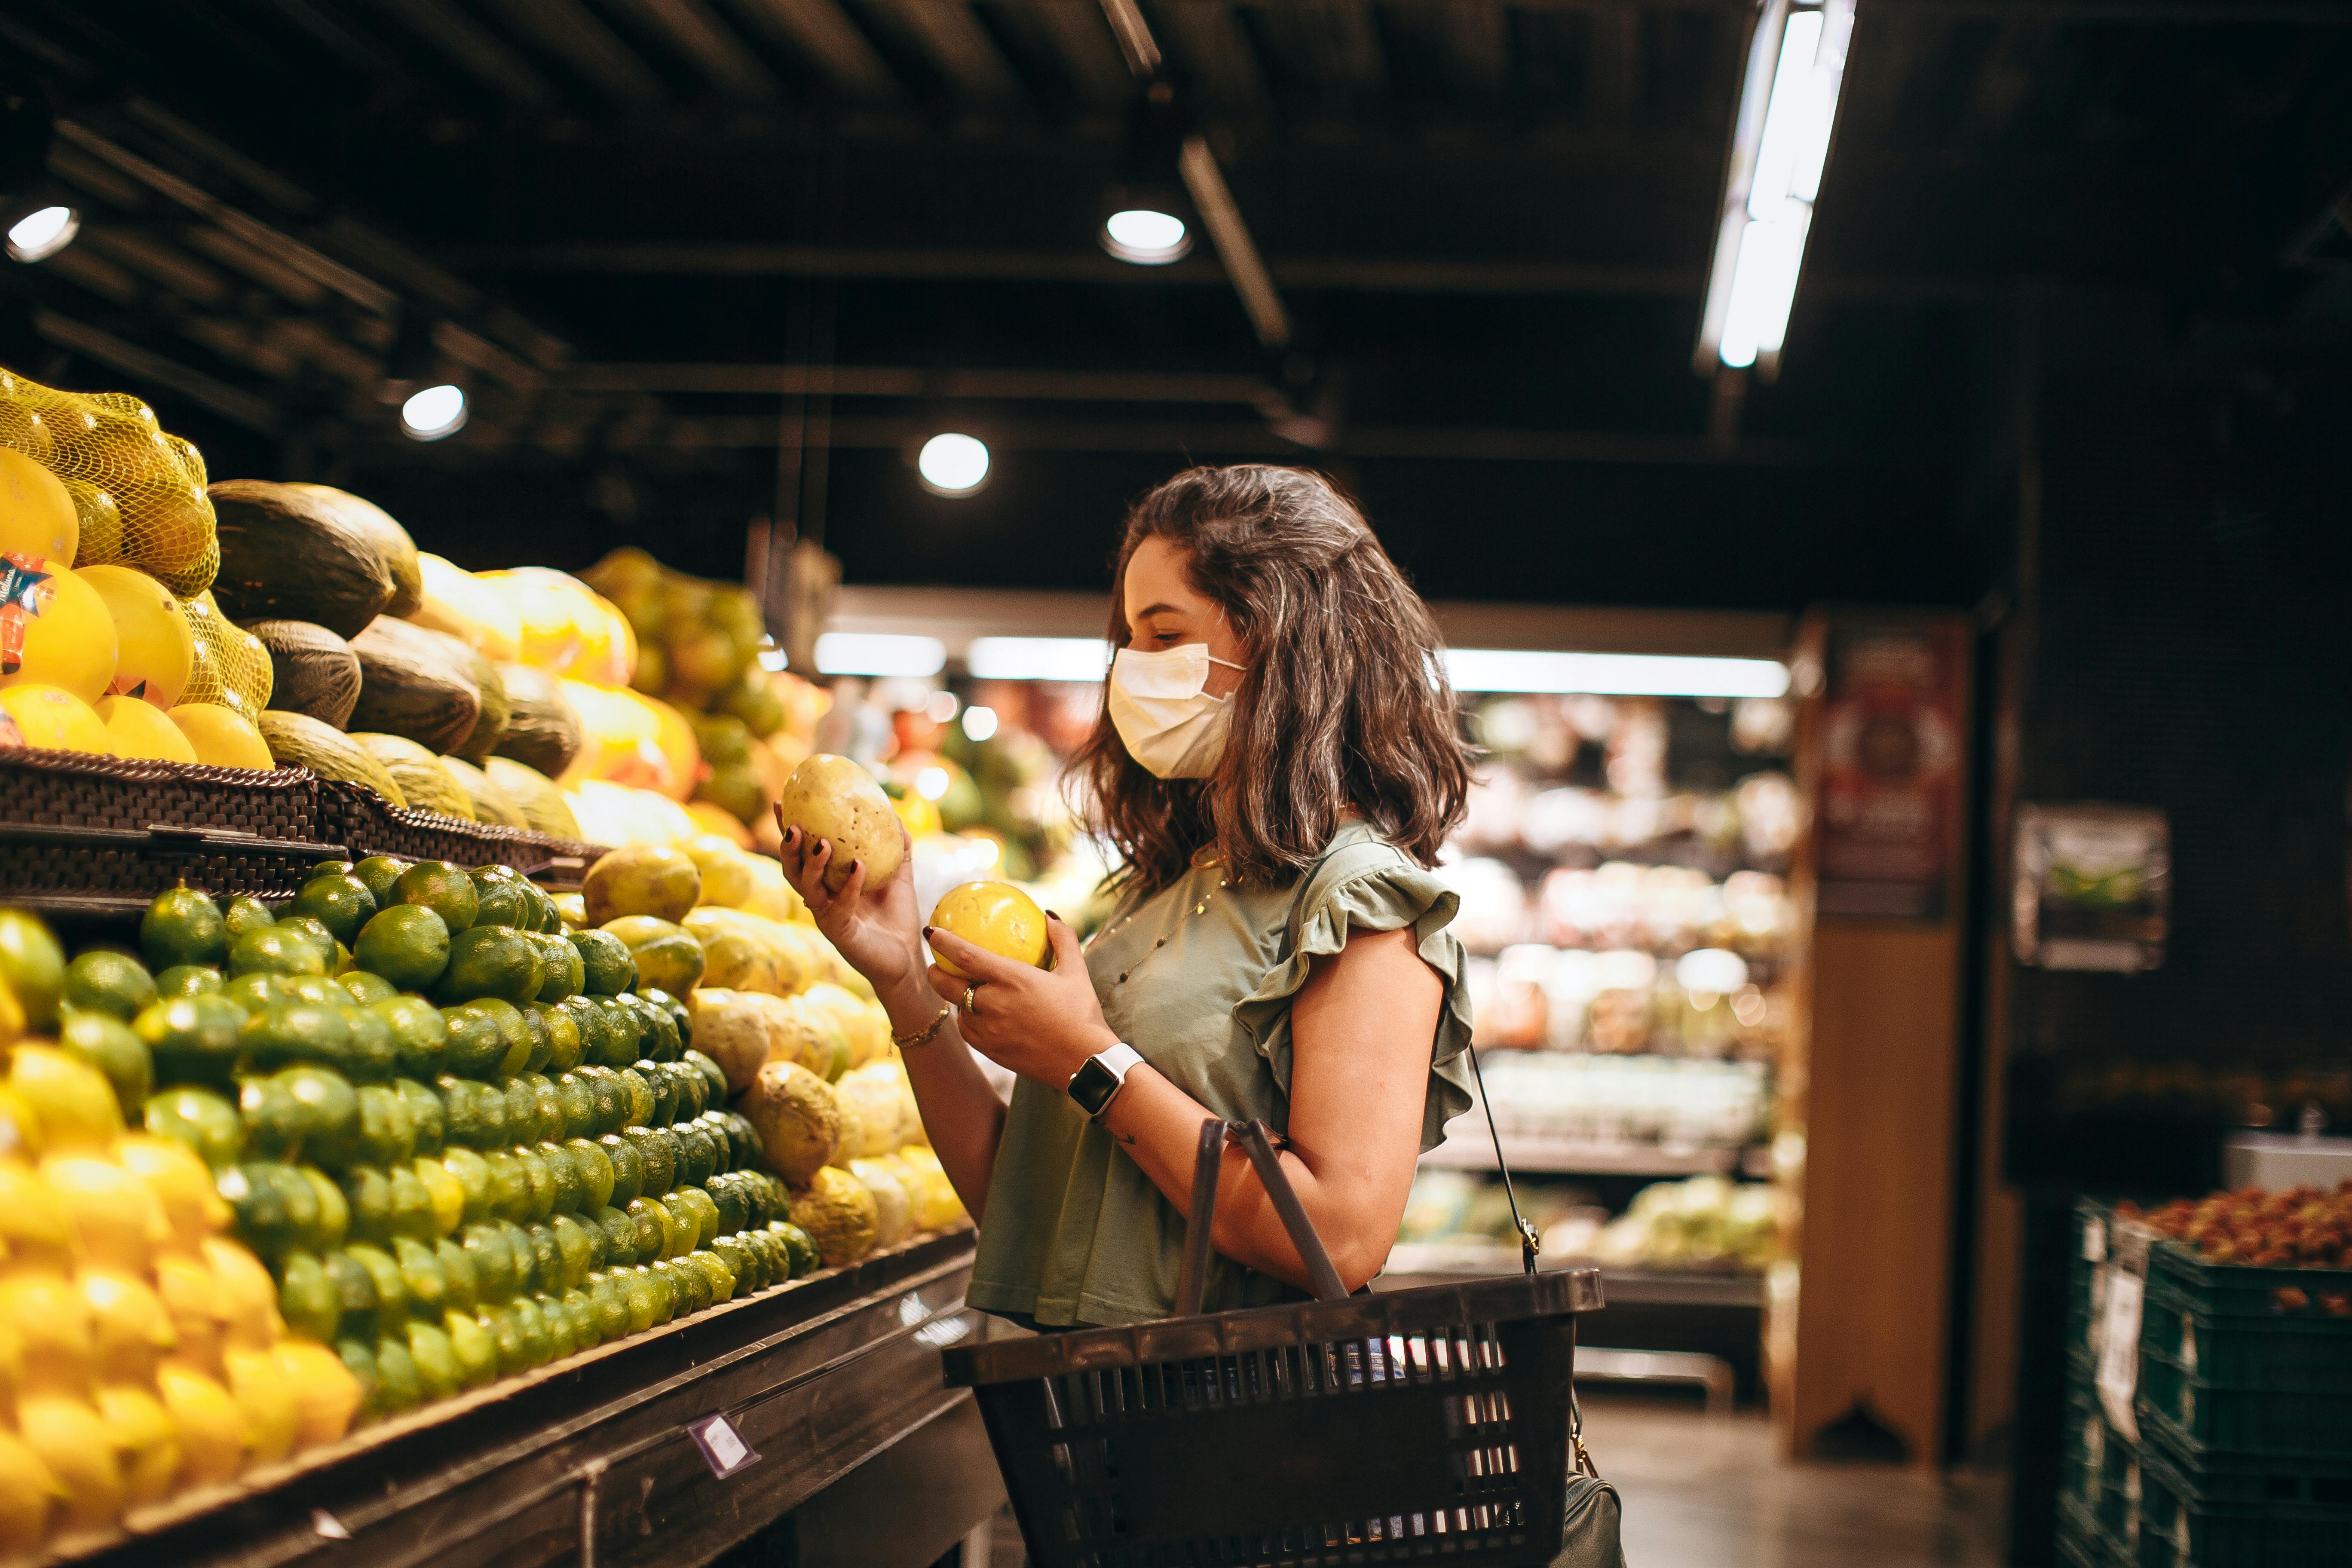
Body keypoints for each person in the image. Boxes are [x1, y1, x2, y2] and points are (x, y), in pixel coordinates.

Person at [776, 465, 1478, 1326]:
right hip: (1082, 1421)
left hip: (1232, 1431)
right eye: (1129, 638)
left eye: (1163, 634)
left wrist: (1089, 1061)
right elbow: (1030, 1206)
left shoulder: (1359, 901)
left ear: (1279, 638)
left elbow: (1335, 1239)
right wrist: (900, 979)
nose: (1131, 669)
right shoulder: (1171, 889)